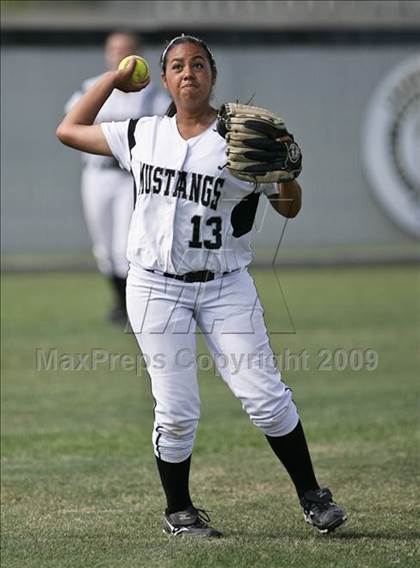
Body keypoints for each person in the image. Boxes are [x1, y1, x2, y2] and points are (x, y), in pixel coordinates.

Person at [56, 34, 347, 538]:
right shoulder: (142, 133)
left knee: (265, 396)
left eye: (197, 64)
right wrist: (115, 80)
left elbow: (290, 207)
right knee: (177, 408)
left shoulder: (240, 138)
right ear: (165, 80)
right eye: (176, 66)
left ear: (212, 75)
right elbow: (69, 129)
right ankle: (180, 512)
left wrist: (287, 173)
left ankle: (313, 498)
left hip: (225, 286)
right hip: (155, 286)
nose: (187, 72)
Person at [65, 31, 169, 324]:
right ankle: (119, 302)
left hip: (130, 178)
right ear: (107, 53)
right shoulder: (91, 88)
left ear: (138, 53)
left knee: (126, 244)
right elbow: (71, 121)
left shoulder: (153, 94)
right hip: (97, 173)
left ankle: (131, 305)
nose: (119, 54)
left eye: (126, 49)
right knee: (103, 245)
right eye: (114, 49)